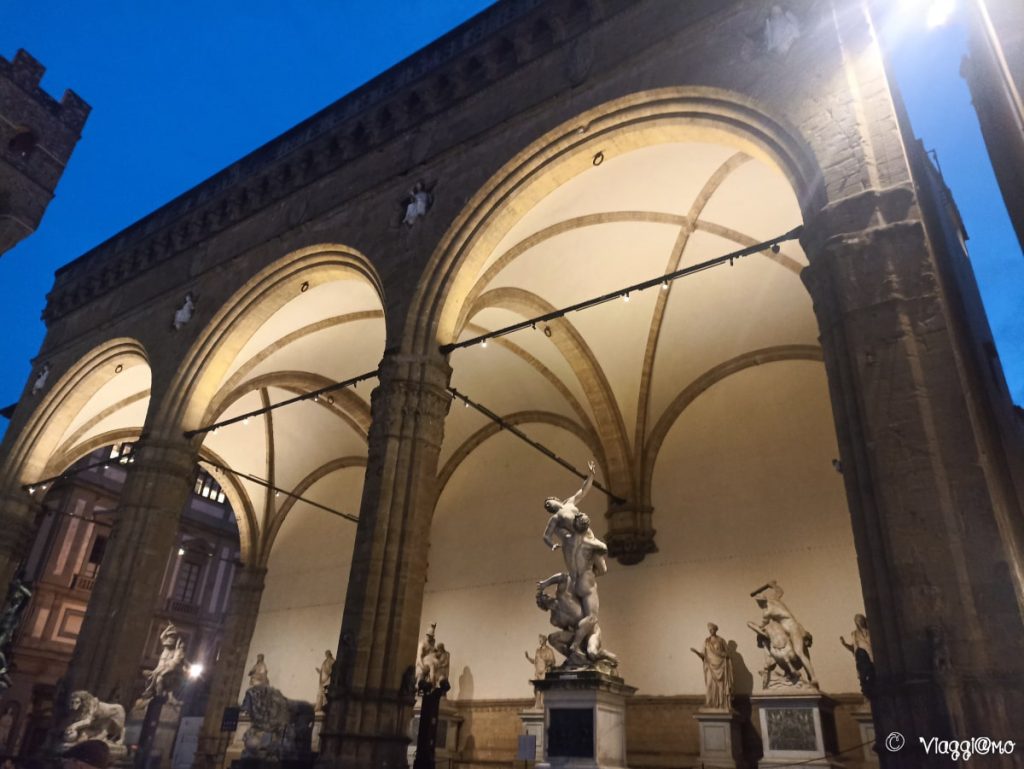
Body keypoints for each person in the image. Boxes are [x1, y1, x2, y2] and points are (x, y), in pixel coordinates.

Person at [690, 623, 734, 711]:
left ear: (715, 630)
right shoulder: (706, 641)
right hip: (710, 666)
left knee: (721, 687)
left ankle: (722, 704)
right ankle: (710, 704)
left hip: (720, 666)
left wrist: (723, 655)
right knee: (709, 685)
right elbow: (703, 655)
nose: (710, 631)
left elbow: (728, 654)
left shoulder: (721, 640)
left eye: (712, 629)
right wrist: (696, 652)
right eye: (709, 630)